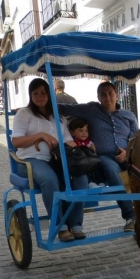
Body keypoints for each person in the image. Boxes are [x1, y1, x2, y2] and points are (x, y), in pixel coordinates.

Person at [11, 78, 89, 242]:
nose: (40, 96)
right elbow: (16, 142)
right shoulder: (24, 114)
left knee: (81, 178)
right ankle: (59, 226)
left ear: (49, 94)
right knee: (49, 179)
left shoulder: (58, 116)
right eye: (35, 93)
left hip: (57, 160)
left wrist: (72, 143)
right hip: (30, 160)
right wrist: (40, 135)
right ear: (30, 95)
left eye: (43, 93)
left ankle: (75, 225)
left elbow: (67, 138)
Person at [58, 81, 137, 232]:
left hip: (129, 155)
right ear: (98, 97)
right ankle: (130, 216)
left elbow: (135, 138)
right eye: (103, 94)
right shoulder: (91, 109)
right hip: (104, 157)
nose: (107, 97)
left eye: (110, 93)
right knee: (113, 170)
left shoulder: (128, 116)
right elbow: (66, 108)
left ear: (116, 95)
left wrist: (127, 152)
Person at [68, 117, 104, 189]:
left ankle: (100, 182)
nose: (84, 133)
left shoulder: (89, 142)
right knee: (84, 170)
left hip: (90, 161)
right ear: (72, 132)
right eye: (81, 131)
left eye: (86, 131)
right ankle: (90, 183)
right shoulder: (72, 143)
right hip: (81, 163)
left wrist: (93, 150)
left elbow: (94, 154)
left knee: (97, 167)